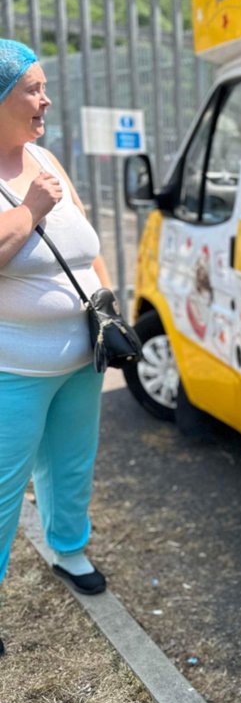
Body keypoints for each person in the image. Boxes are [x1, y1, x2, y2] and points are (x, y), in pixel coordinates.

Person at [0, 40, 111, 652]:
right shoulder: (28, 184)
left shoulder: (43, 157)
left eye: (44, 87)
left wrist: (108, 305)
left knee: (71, 466)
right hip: (12, 368)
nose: (45, 99)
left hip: (80, 360)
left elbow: (86, 240)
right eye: (32, 89)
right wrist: (33, 209)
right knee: (2, 487)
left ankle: (68, 550)